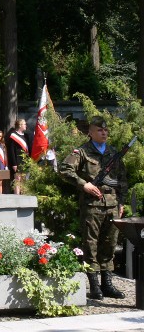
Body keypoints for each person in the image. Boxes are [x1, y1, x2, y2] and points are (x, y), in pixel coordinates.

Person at [59, 116, 127, 301]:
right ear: (90, 132)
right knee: (91, 244)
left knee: (110, 243)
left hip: (111, 204)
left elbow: (121, 180)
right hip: (92, 205)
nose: (104, 133)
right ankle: (94, 285)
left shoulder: (113, 152)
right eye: (99, 130)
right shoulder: (82, 152)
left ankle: (107, 283)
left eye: (105, 130)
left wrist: (121, 202)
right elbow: (65, 169)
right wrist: (84, 185)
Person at [5, 118, 32, 194]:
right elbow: (11, 151)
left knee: (24, 179)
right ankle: (17, 197)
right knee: (17, 179)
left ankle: (24, 196)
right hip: (17, 161)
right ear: (20, 125)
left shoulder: (26, 136)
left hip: (25, 160)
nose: (26, 125)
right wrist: (14, 163)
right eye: (24, 124)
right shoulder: (13, 136)